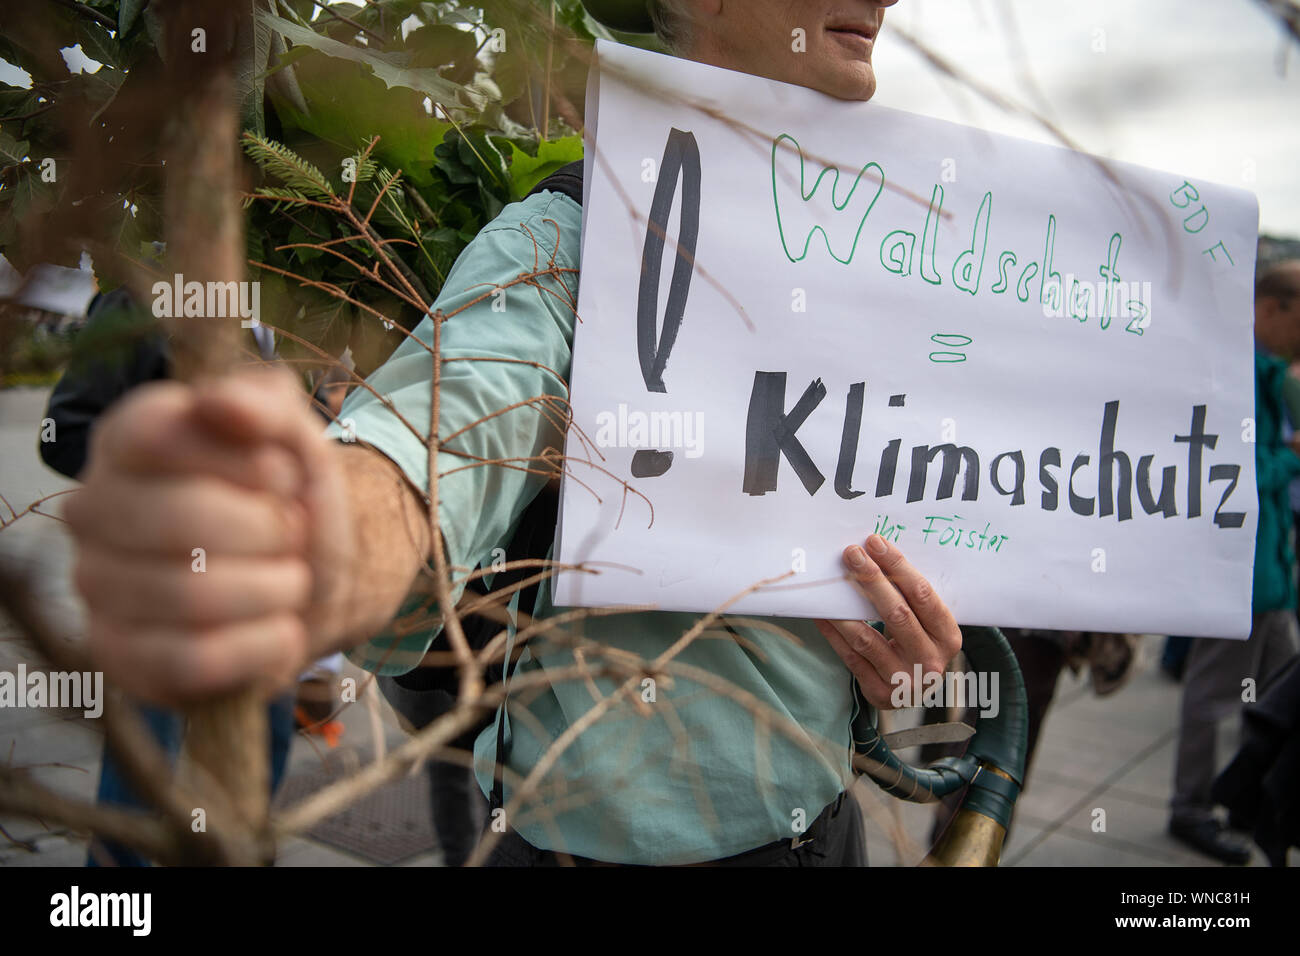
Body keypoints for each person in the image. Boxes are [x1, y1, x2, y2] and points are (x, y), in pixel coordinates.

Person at [64, 0, 971, 867]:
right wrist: (305, 535)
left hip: (833, 836)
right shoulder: (568, 242)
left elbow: (887, 579)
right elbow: (440, 444)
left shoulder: (872, 267)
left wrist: (901, 669)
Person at [1167, 260, 1300, 864]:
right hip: (1238, 575)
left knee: (1277, 698)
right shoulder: (1238, 371)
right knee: (1215, 695)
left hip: (1270, 576)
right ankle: (1191, 808)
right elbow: (1229, 474)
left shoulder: (1268, 373)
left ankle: (1255, 799)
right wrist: (1292, 455)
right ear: (1272, 308)